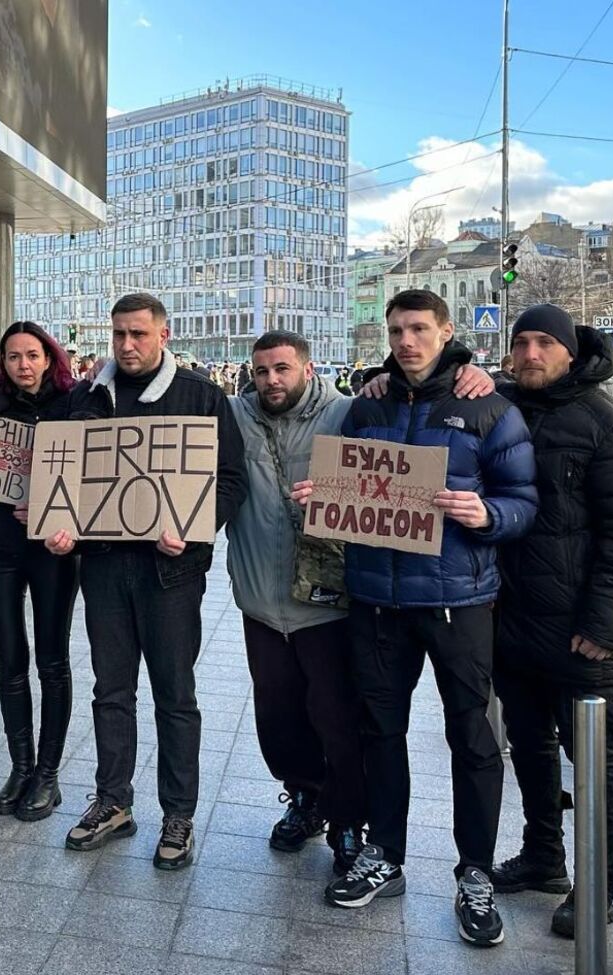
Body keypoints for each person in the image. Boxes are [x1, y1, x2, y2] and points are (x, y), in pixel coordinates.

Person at [293, 289, 537, 948]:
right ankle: (386, 854)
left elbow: (523, 501)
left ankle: (475, 873)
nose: (406, 341)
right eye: (396, 329)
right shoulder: (368, 402)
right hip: (376, 600)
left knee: (473, 740)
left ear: (446, 330)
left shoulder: (487, 406)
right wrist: (327, 494)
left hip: (460, 602)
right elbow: (344, 478)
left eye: (419, 328)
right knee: (380, 732)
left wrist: (487, 515)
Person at [45, 292, 248, 870]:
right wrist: (63, 530)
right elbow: (61, 475)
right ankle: (112, 801)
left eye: (138, 334)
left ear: (163, 334)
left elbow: (229, 479)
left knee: (174, 697)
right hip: (105, 569)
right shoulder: (85, 396)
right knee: (111, 691)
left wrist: (196, 524)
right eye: (119, 335)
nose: (128, 346)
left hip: (171, 573)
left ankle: (178, 813)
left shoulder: (202, 397)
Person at [490, 305, 613, 939]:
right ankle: (543, 857)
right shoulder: (501, 406)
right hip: (514, 619)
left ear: (571, 352)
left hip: (583, 631)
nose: (530, 354)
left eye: (543, 342)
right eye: (520, 343)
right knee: (530, 745)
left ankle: (596, 890)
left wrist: (605, 627)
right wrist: (385, 376)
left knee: (595, 760)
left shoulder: (610, 426)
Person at [227, 330, 366, 874]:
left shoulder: (347, 413)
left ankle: (350, 819)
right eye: (262, 371)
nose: (272, 381)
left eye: (282, 369)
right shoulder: (234, 416)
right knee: (278, 717)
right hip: (261, 600)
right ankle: (305, 796)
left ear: (307, 369)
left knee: (337, 716)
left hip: (327, 604)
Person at [0, 321, 77, 822]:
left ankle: (48, 774)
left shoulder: (76, 406)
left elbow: (90, 484)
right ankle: (20, 765)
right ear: (2, 362)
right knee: (9, 657)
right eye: (13, 357)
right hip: (0, 545)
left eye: (32, 355)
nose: (23, 365)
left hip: (53, 549)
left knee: (51, 659)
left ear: (49, 358)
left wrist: (58, 513)